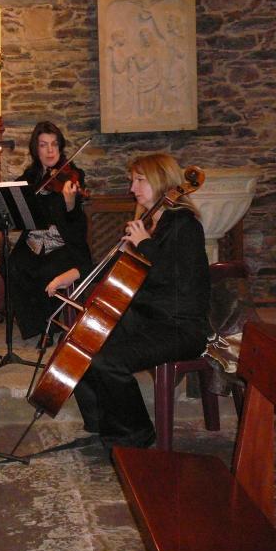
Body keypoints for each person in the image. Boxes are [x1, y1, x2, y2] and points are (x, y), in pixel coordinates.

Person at [71, 152, 211, 448]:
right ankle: (100, 422)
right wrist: (77, 272)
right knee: (85, 344)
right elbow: (121, 271)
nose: (132, 188)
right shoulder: (152, 224)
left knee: (107, 361)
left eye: (139, 180)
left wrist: (144, 245)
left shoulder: (185, 225)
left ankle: (135, 435)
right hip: (150, 318)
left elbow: (175, 283)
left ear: (161, 180)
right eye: (132, 180)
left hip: (180, 327)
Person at [8, 121, 92, 346]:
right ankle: (34, 324)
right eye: (43, 145)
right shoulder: (29, 178)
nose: (50, 150)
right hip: (34, 243)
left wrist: (70, 203)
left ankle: (51, 326)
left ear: (61, 147)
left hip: (64, 244)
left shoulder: (73, 175)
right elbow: (17, 204)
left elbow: (76, 224)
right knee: (13, 266)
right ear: (36, 149)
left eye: (54, 144)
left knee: (46, 269)